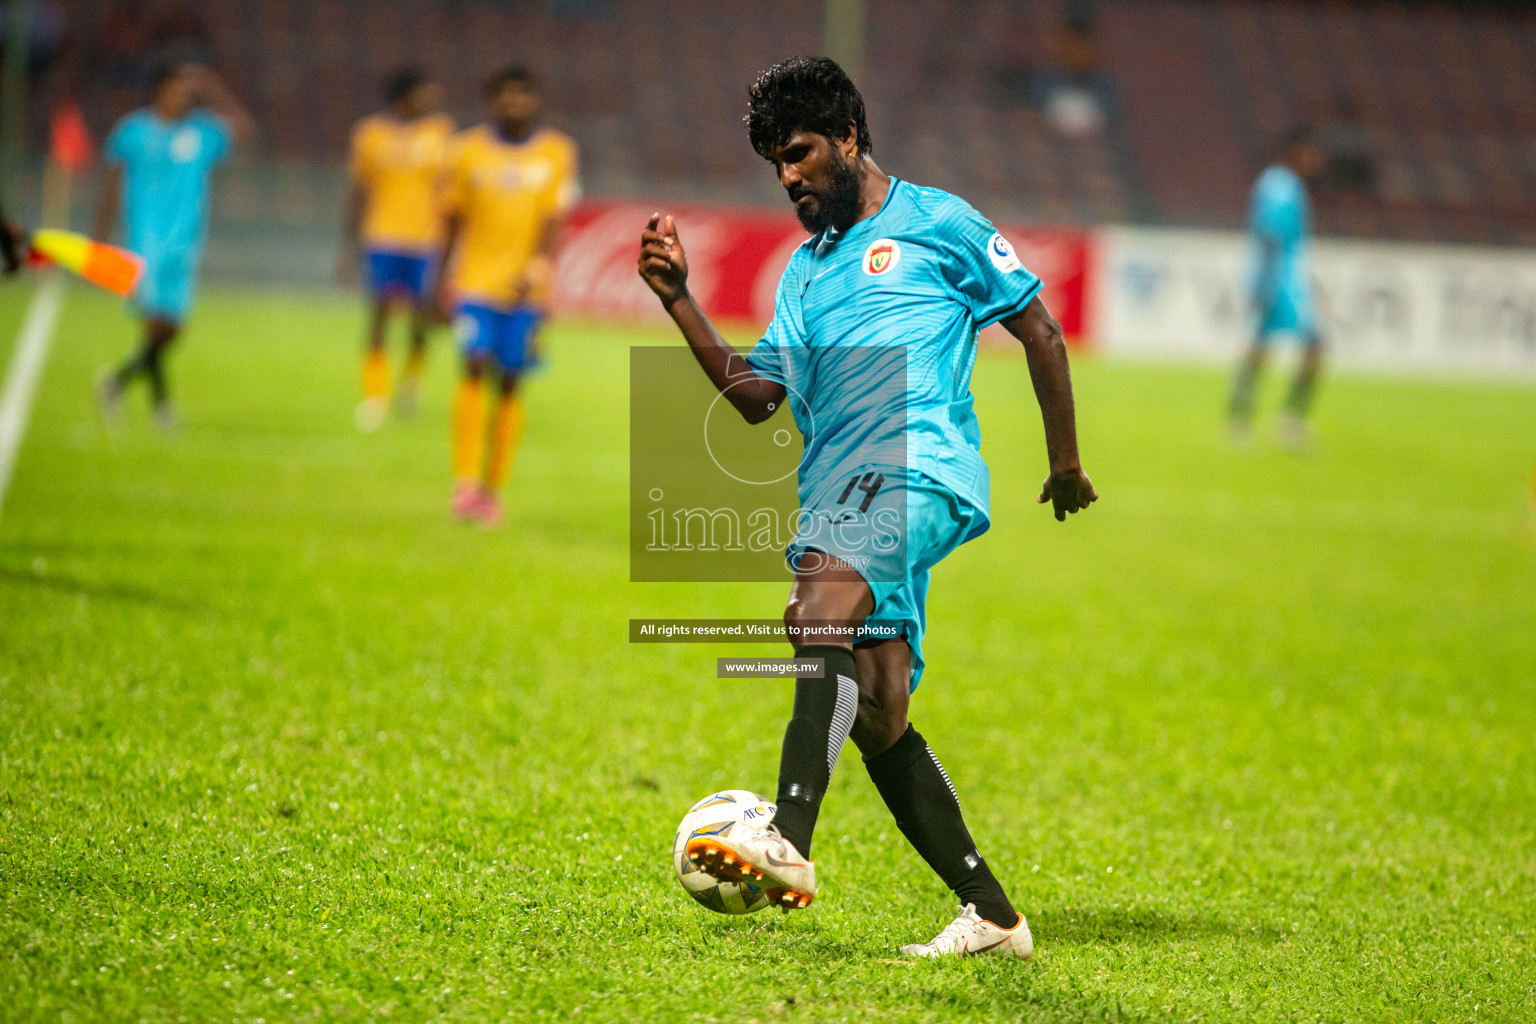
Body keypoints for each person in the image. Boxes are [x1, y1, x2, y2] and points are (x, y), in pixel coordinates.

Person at [637, 56, 1096, 959]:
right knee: (881, 709)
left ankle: (786, 842)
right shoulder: (803, 275)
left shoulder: (935, 221)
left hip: (918, 464)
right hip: (842, 490)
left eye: (800, 152)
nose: (789, 176)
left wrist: (1066, 462)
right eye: (775, 162)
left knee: (816, 607)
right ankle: (995, 919)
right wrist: (680, 299)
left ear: (847, 136)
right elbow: (757, 396)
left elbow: (1037, 327)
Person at [435, 66, 578, 526]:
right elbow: (452, 217)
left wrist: (538, 267)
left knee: (511, 380)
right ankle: (464, 483)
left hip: (526, 289)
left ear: (535, 100)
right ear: (490, 100)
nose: (513, 103)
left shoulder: (557, 152)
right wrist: (441, 278)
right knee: (473, 365)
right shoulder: (465, 150)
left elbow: (553, 217)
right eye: (505, 96)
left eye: (522, 95)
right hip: (475, 281)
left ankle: (492, 489)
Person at [95, 62, 252, 429]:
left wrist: (213, 87)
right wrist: (100, 236)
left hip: (184, 245)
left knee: (173, 329)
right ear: (160, 89)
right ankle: (162, 408)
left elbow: (245, 132)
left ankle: (115, 382)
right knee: (152, 326)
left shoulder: (201, 132)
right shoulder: (133, 131)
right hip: (145, 242)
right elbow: (112, 183)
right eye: (179, 87)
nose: (185, 94)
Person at [341, 66, 455, 431]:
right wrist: (347, 247)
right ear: (405, 95)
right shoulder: (370, 135)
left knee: (423, 318)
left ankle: (410, 384)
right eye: (424, 92)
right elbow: (358, 192)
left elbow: (450, 192)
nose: (432, 100)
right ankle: (375, 396)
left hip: (426, 239)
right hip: (382, 236)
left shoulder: (440, 134)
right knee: (379, 314)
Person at [1228, 127, 1328, 450]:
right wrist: (1268, 285)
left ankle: (1240, 420)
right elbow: (1271, 234)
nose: (1315, 159)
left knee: (1260, 347)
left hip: (1282, 277)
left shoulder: (1277, 183)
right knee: (1312, 346)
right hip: (1279, 280)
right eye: (1311, 151)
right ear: (1296, 150)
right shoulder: (1281, 184)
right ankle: (1287, 421)